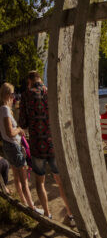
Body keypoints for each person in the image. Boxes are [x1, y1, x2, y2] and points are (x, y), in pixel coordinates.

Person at [18, 72, 74, 223]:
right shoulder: (52, 93)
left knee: (40, 181)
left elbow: (22, 123)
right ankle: (70, 214)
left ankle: (48, 214)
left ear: (29, 81)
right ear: (40, 80)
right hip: (54, 144)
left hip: (37, 145)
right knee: (60, 180)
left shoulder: (26, 95)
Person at [1, 83, 40, 214]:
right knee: (24, 180)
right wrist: (19, 129)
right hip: (13, 147)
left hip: (8, 146)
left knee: (17, 178)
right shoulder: (5, 110)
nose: (14, 97)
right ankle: (32, 208)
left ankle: (24, 204)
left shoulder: (3, 109)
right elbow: (9, 132)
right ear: (7, 94)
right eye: (12, 94)